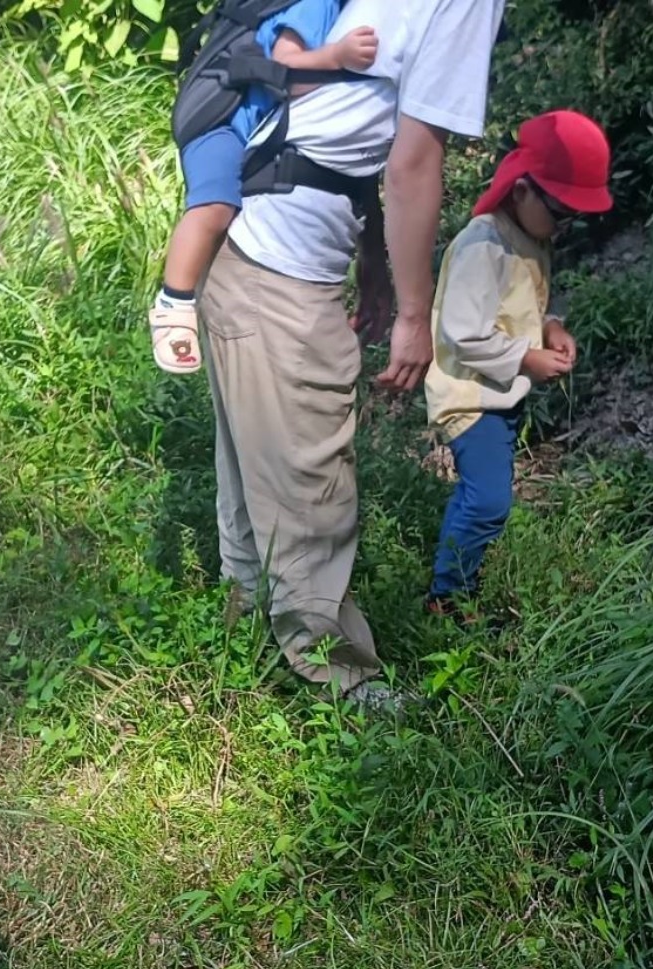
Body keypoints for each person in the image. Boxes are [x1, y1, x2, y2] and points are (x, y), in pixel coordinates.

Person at [198, 0, 507, 707]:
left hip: (241, 239)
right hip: (278, 269)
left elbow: (352, 118)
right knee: (311, 482)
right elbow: (412, 161)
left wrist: (371, 255)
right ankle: (338, 683)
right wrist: (413, 312)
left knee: (252, 474)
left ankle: (240, 651)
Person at [423, 110, 612, 623]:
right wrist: (527, 358)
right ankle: (446, 598)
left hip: (498, 394)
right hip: (469, 394)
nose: (564, 224)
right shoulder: (484, 245)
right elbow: (461, 333)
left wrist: (551, 327)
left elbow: (523, 302)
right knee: (488, 502)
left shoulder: (529, 236)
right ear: (523, 189)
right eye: (560, 210)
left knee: (481, 496)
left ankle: (454, 587)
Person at [150, 1, 379, 374]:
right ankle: (173, 302)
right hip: (219, 125)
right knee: (214, 207)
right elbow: (285, 61)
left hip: (243, 130)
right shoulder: (315, 3)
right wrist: (339, 56)